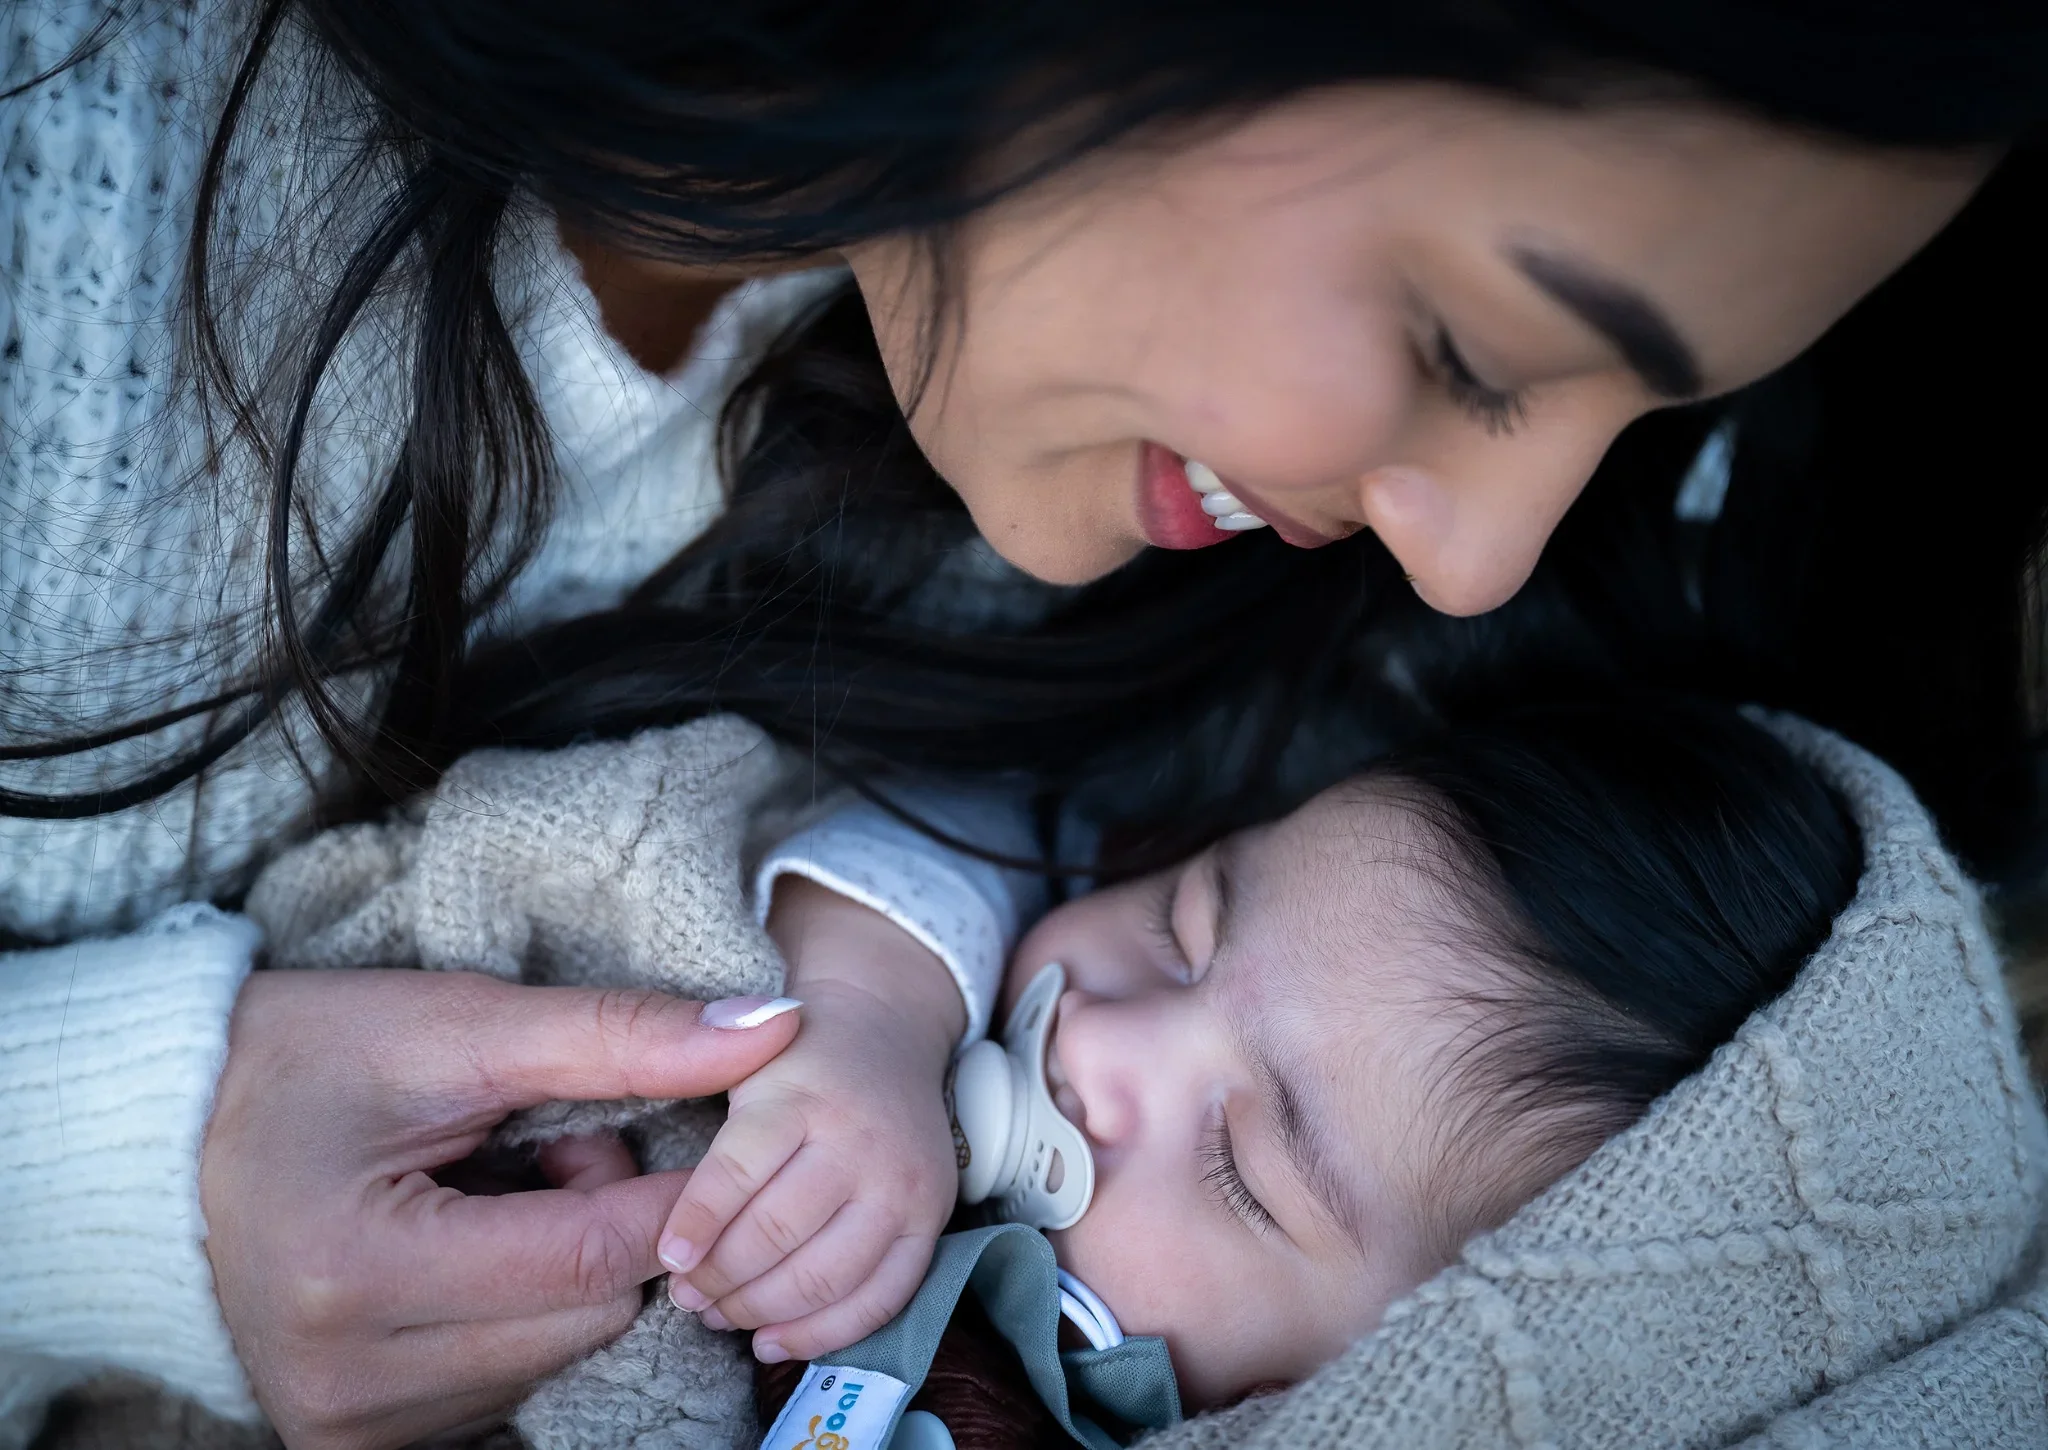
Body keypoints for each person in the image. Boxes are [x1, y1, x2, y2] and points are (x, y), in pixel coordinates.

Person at [4, 2, 2045, 1447]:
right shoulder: (79, 178)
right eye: (1468, 341)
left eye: (1634, 424)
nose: (1473, 564)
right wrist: (104, 1182)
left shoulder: (1160, 611)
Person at [674, 695, 1860, 1406]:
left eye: (1240, 1166)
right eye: (1179, 922)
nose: (1101, 1036)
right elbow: (948, 832)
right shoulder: (987, 942)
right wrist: (871, 1010)